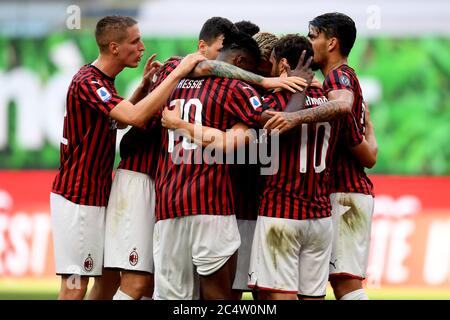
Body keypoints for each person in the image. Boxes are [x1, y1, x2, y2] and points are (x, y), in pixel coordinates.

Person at [50, 15, 206, 300]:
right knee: (74, 286)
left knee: (106, 283)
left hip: (95, 195)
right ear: (114, 47)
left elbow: (120, 122)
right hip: (76, 198)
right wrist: (177, 73)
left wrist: (142, 88)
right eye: (135, 41)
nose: (142, 47)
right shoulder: (88, 82)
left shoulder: (103, 82)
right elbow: (133, 117)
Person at [103, 16, 240, 301]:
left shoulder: (216, 85)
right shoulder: (174, 70)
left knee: (153, 287)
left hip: (165, 190)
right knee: (136, 284)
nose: (225, 61)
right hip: (138, 180)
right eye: (221, 51)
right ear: (201, 48)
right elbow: (128, 127)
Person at [153, 31, 294, 300]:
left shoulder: (172, 73)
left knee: (172, 298)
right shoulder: (235, 89)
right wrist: (277, 85)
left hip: (168, 205)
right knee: (220, 297)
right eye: (249, 71)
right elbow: (270, 118)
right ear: (240, 63)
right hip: (210, 206)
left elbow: (202, 66)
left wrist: (180, 125)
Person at [307, 12, 378, 300]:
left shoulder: (339, 77)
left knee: (346, 285)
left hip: (345, 194)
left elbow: (361, 150)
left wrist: (367, 149)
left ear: (332, 42)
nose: (309, 44)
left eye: (314, 37)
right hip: (343, 193)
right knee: (338, 282)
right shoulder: (338, 79)